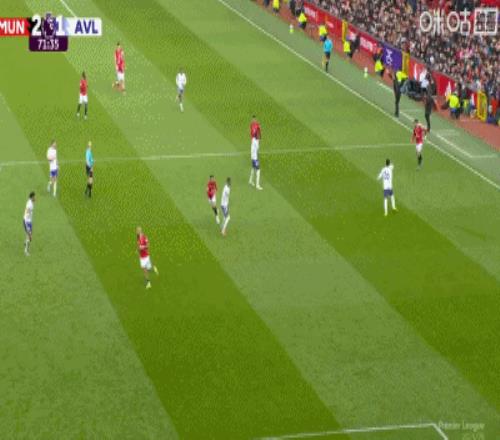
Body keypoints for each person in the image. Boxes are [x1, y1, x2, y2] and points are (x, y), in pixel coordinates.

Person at [249, 115, 263, 190]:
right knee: (258, 170)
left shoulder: (254, 140)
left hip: (253, 156)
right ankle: (257, 185)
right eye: (258, 134)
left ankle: (250, 180)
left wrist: (259, 130)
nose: (259, 134)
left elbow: (258, 136)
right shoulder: (255, 141)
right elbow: (257, 148)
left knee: (253, 168)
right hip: (254, 158)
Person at [23, 192, 35, 256]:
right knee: (30, 237)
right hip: (27, 222)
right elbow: (27, 211)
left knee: (30, 234)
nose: (35, 198)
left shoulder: (30, 201)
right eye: (34, 196)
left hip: (29, 221)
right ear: (32, 197)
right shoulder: (29, 204)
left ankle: (25, 242)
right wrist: (26, 223)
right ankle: (26, 251)